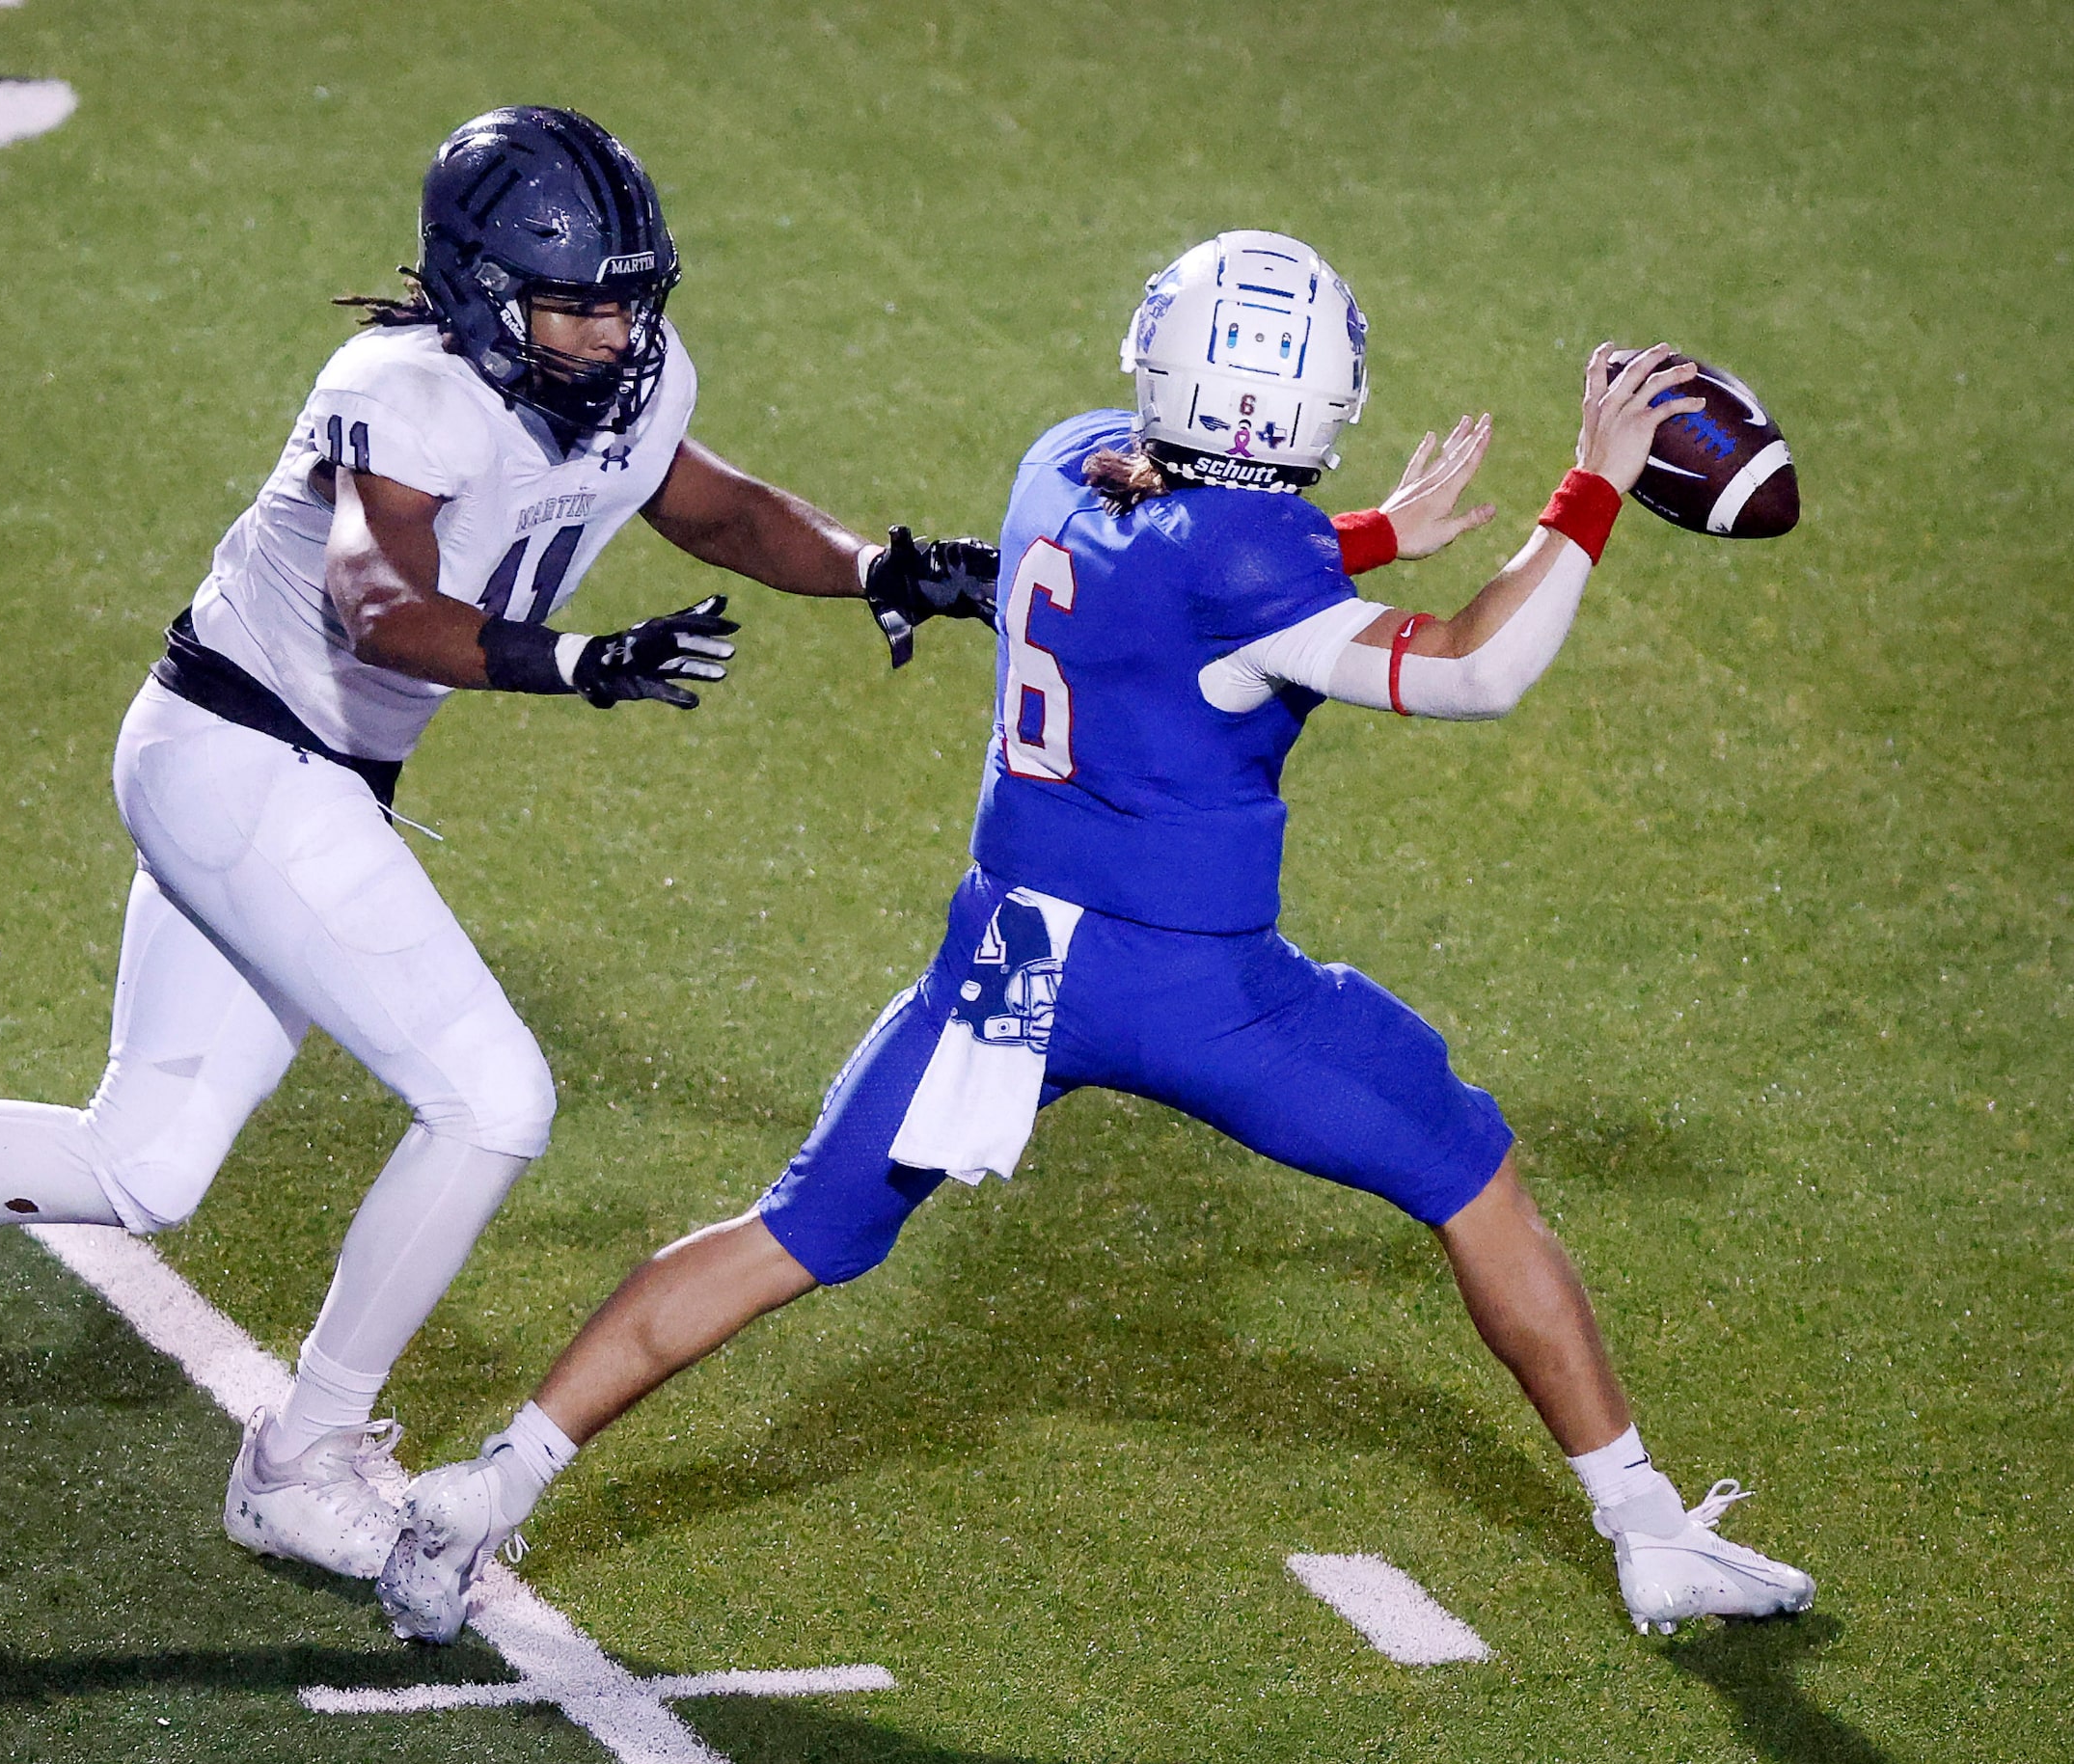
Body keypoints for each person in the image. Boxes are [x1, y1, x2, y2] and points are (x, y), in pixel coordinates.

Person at [0, 105, 1002, 1583]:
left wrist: (873, 563)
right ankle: (308, 1450)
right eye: (577, 300)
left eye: (633, 295)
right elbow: (381, 604)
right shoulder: (403, 387)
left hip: (278, 771)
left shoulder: (623, 375)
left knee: (140, 1166)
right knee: (491, 1098)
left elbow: (703, 502)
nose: (614, 331)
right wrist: (573, 662)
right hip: (241, 755)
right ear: (480, 289)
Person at [374, 231, 1819, 1645]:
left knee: (788, 1232)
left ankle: (490, 1481)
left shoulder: (1062, 461)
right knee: (1474, 1185)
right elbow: (1473, 668)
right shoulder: (1262, 564)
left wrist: (1367, 535)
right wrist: (1591, 487)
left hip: (1009, 967)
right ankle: (1645, 1530)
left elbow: (1179, 577)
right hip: (1202, 986)